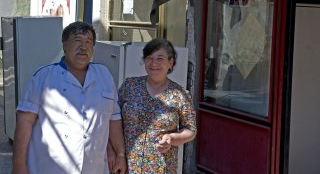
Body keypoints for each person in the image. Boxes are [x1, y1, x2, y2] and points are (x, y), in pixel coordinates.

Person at [12, 21, 127, 174]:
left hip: (94, 167)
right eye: (77, 40)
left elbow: (113, 119)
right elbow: (24, 122)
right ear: (64, 45)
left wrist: (119, 154)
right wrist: (19, 165)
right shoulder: (43, 77)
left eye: (88, 42)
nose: (83, 47)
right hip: (50, 167)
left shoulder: (104, 75)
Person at [113, 38, 197, 173]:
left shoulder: (180, 95)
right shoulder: (130, 86)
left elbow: (191, 130)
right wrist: (116, 154)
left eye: (160, 58)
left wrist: (172, 138)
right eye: (149, 58)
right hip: (127, 166)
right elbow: (113, 120)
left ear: (170, 62)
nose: (154, 63)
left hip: (162, 168)